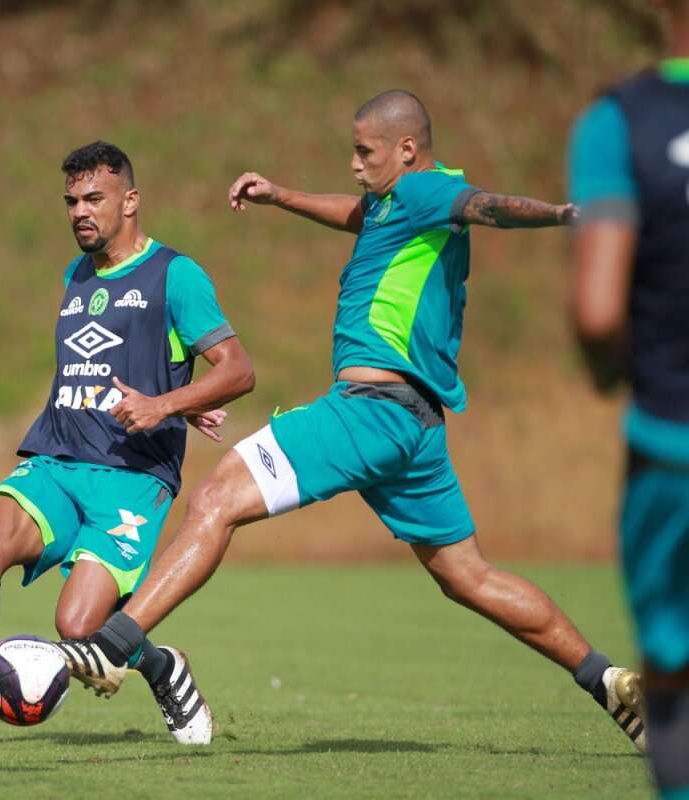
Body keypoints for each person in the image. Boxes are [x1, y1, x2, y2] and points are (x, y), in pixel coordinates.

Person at [58, 90, 647, 754]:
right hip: (417, 428)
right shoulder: (395, 203)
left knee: (218, 497)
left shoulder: (427, 191)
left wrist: (566, 213)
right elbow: (358, 215)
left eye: (364, 151)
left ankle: (114, 646)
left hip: (370, 411)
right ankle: (606, 678)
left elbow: (486, 207)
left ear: (406, 150)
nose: (353, 163)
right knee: (467, 577)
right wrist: (282, 195)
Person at [0, 141, 254, 754]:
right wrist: (175, 396)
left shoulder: (175, 275)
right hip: (56, 460)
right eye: (71, 201)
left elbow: (238, 370)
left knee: (82, 626)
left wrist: (167, 404)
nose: (80, 211)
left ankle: (162, 668)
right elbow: (108, 364)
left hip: (131, 476)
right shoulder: (77, 275)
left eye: (94, 198)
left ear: (131, 199)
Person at [568, 1, 689, 794]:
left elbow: (599, 308)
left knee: (674, 672)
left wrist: (610, 372)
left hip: (671, 448)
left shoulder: (620, 122)